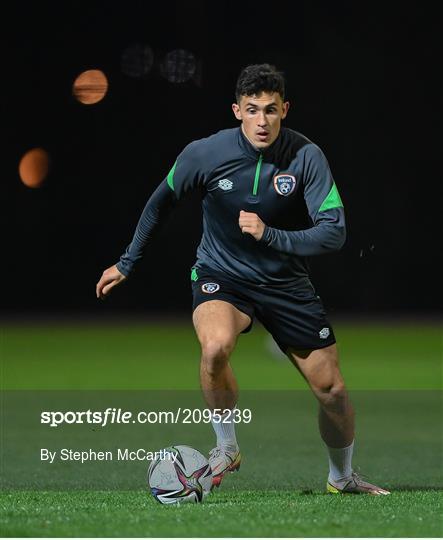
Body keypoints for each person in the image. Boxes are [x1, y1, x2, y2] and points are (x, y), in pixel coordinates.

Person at [96, 64, 390, 495]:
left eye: (271, 110)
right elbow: (159, 203)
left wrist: (270, 234)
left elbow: (335, 231)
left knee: (332, 390)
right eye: (252, 110)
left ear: (284, 110)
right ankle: (227, 446)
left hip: (286, 283)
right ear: (237, 110)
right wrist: (127, 261)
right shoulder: (204, 153)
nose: (262, 120)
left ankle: (341, 477)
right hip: (223, 275)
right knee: (214, 347)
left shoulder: (306, 156)